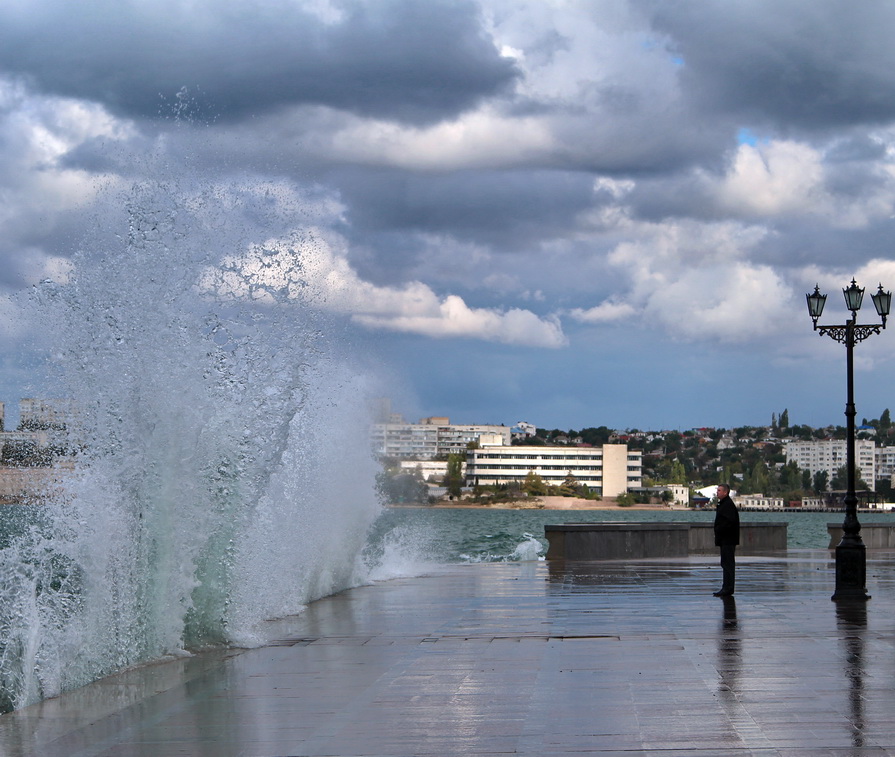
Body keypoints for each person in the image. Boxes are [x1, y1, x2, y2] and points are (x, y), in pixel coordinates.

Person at [713, 484, 739, 596]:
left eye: (719, 490)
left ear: (725, 492)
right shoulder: (724, 504)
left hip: (728, 539)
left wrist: (719, 529)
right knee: (726, 563)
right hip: (725, 539)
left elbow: (729, 522)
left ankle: (728, 588)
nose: (717, 492)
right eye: (717, 490)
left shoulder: (727, 505)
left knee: (728, 564)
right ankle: (726, 587)